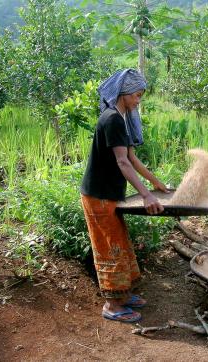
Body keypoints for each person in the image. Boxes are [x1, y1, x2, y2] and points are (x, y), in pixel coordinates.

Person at [80, 69, 168, 323]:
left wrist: (156, 184)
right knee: (110, 248)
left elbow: (132, 157)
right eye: (137, 95)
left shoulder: (121, 117)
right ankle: (111, 304)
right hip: (98, 196)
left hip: (109, 195)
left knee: (120, 242)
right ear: (124, 94)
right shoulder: (112, 119)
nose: (139, 100)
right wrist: (146, 196)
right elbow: (122, 162)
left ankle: (123, 294)